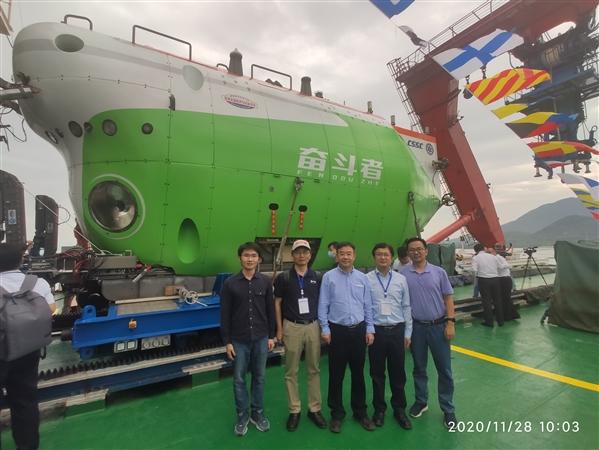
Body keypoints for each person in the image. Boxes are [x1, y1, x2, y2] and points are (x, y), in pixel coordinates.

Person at [0, 243, 56, 450]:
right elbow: (51, 309)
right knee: (25, 401)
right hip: (27, 349)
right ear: (21, 260)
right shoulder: (37, 283)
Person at [318, 241, 375, 433]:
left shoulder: (362, 278)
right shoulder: (329, 277)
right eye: (342, 253)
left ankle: (360, 412)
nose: (345, 257)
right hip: (337, 331)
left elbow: (368, 305)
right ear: (337, 256)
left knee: (358, 373)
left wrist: (370, 328)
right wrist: (325, 328)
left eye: (349, 253)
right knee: (336, 374)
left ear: (354, 256)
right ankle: (337, 414)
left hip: (359, 330)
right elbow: (323, 304)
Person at [220, 242, 276, 436]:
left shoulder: (266, 282)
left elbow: (270, 310)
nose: (250, 259)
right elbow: (225, 314)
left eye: (253, 256)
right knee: (239, 379)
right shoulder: (230, 284)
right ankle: (242, 416)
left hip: (261, 338)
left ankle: (257, 414)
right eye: (246, 255)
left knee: (260, 377)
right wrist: (227, 341)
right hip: (239, 340)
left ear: (259, 259)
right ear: (240, 258)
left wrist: (272, 336)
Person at [401, 237, 457, 429]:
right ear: (408, 253)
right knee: (419, 367)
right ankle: (421, 401)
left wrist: (450, 322)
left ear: (426, 251)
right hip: (416, 328)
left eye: (419, 249)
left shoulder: (439, 272)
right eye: (412, 250)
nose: (416, 252)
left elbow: (448, 298)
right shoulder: (403, 274)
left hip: (438, 326)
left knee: (444, 369)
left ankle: (448, 408)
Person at [274, 240, 327, 431]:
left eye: (305, 252)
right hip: (292, 326)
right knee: (291, 371)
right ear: (292, 255)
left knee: (314, 369)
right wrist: (279, 329)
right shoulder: (284, 278)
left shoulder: (317, 277)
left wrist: (323, 327)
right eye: (298, 252)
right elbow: (277, 303)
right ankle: (294, 409)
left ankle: (314, 409)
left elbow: (323, 303)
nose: (301, 255)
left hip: (313, 326)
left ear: (310, 255)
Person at [366, 243, 412, 430]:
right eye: (379, 254)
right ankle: (379, 410)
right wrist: (369, 330)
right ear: (374, 258)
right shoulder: (367, 279)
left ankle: (399, 409)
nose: (383, 257)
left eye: (386, 254)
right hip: (376, 331)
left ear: (391, 257)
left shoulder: (401, 279)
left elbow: (406, 306)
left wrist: (408, 332)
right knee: (377, 374)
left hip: (397, 330)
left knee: (398, 372)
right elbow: (366, 307)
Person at [472, 243, 507, 327]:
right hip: (495, 279)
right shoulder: (493, 257)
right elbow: (501, 267)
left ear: (475, 251)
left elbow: (474, 270)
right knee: (497, 300)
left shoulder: (475, 258)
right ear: (484, 249)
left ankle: (489, 322)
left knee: (486, 301)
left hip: (484, 280)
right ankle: (500, 321)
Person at [491, 247, 520, 321]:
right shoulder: (498, 258)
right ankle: (509, 315)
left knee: (505, 298)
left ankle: (508, 315)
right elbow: (505, 266)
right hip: (504, 279)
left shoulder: (496, 258)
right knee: (505, 298)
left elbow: (502, 266)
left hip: (503, 279)